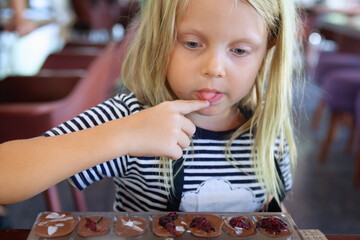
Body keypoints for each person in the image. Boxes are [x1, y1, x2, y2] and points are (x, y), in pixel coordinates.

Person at [0, 0, 301, 213]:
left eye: (239, 50)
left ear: (268, 48)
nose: (215, 68)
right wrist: (125, 135)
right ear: (160, 37)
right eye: (192, 43)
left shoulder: (269, 131)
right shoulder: (134, 117)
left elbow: (272, 209)